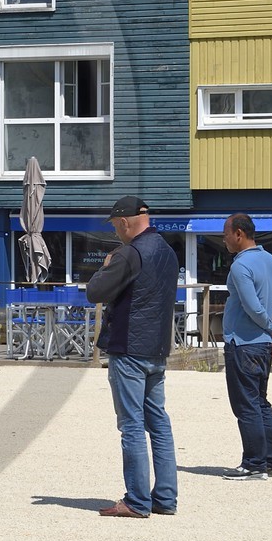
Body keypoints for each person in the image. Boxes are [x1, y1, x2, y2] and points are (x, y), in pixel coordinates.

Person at [86, 195, 178, 518]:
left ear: (125, 222)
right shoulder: (168, 251)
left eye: (115, 226)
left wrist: (106, 265)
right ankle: (165, 498)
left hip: (129, 347)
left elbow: (94, 292)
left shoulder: (129, 253)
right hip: (157, 348)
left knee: (132, 426)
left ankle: (137, 501)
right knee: (159, 423)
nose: (115, 233)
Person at [220, 214, 272, 480]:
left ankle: (254, 464)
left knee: (246, 405)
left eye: (226, 233)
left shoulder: (241, 266)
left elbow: (252, 307)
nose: (223, 238)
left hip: (243, 343)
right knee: (260, 402)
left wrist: (270, 327)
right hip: (262, 346)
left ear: (239, 233)